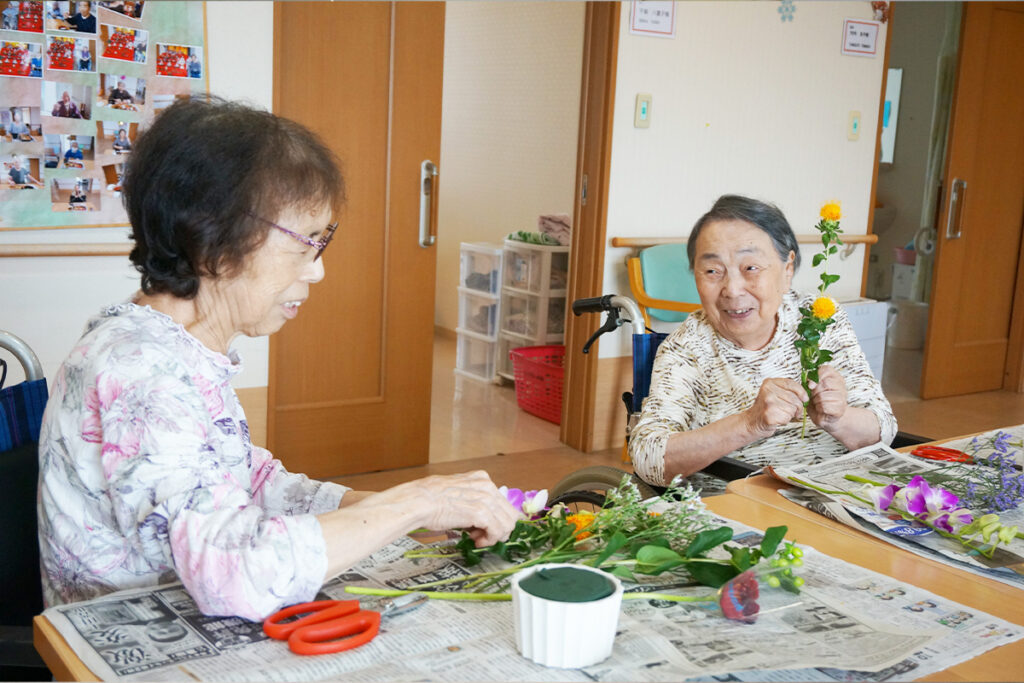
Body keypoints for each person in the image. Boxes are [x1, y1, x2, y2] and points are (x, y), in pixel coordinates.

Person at [37, 97, 518, 620]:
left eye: (322, 242)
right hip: (130, 637)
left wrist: (385, 511)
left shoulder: (177, 346)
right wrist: (415, 504)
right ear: (213, 238)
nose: (316, 272)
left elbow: (249, 482)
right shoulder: (143, 373)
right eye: (304, 242)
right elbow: (235, 576)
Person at [629, 195, 896, 492]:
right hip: (743, 509)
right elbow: (649, 459)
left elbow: (882, 428)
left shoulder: (820, 319)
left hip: (839, 493)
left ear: (787, 269)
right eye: (712, 271)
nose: (732, 289)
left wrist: (838, 418)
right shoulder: (687, 348)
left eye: (751, 268)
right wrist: (748, 424)